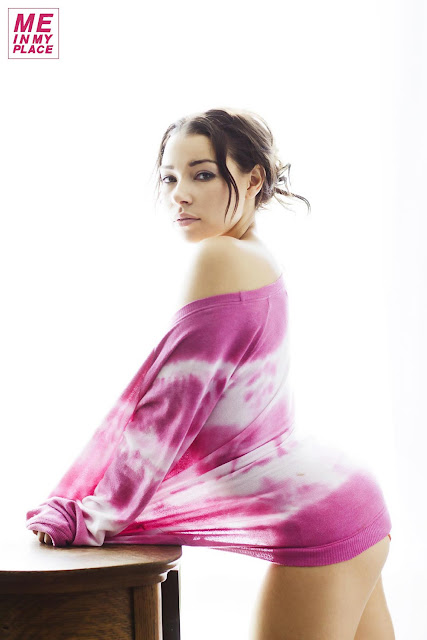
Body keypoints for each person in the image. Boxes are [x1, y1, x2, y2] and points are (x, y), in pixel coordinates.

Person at [28, 107, 395, 639]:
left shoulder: (221, 257)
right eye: (169, 178)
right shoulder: (254, 254)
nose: (179, 195)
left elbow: (168, 412)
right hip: (346, 500)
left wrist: (95, 516)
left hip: (320, 521)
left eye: (201, 175)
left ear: (253, 179)